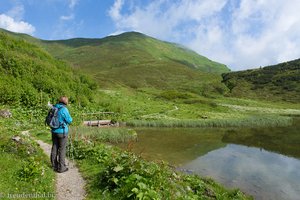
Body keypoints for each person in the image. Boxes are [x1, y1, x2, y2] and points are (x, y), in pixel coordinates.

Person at [50, 96, 73, 173]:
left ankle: (54, 165)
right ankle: (61, 168)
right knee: (62, 150)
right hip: (62, 132)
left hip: (54, 131)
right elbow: (70, 120)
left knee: (54, 147)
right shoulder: (64, 109)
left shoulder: (54, 107)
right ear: (66, 102)